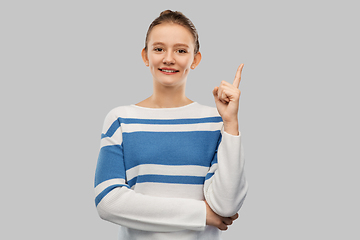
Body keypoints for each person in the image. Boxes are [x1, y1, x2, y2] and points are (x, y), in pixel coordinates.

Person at [94, 10, 248, 240]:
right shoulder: (120, 119)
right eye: (159, 49)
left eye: (181, 50)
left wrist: (231, 123)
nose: (168, 58)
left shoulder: (215, 122)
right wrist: (200, 213)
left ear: (195, 59)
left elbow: (226, 206)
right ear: (145, 56)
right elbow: (107, 200)